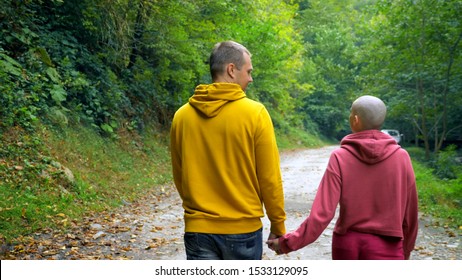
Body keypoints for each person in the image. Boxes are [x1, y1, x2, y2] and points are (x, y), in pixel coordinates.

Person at [170, 41, 286, 260]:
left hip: (198, 230)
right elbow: (269, 178)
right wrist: (278, 224)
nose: (251, 78)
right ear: (232, 70)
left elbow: (180, 176)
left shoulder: (182, 116)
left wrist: (198, 212)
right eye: (248, 71)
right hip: (242, 229)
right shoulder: (255, 114)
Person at [267, 95, 418, 260]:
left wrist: (286, 243)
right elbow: (410, 216)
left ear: (355, 119)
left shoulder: (340, 156)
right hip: (389, 247)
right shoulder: (401, 157)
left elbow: (322, 214)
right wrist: (406, 250)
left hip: (347, 248)